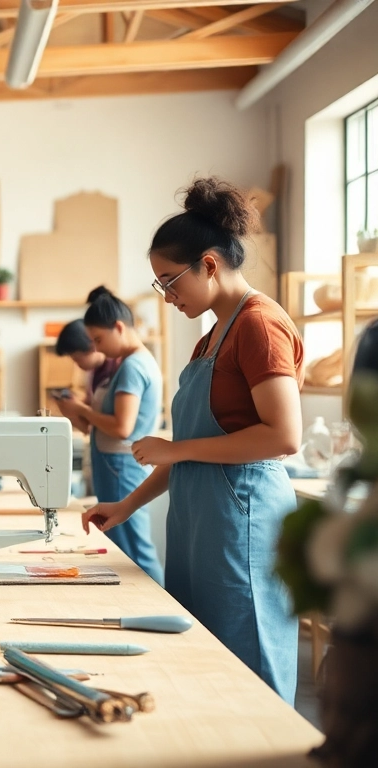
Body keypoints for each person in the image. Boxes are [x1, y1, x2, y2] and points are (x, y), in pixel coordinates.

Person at [84, 178, 303, 703]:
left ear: (209, 263)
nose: (167, 294)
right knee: (205, 665)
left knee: (251, 669)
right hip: (200, 522)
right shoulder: (212, 336)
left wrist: (175, 450)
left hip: (241, 522)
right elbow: (190, 447)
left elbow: (283, 436)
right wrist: (127, 505)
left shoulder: (260, 325)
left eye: (169, 280)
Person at [54, 288, 164, 585]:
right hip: (116, 465)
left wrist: (81, 409)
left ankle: (160, 610)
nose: (98, 348)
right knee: (124, 548)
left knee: (134, 553)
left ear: (119, 327)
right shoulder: (130, 365)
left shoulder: (132, 367)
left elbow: (121, 427)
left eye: (99, 340)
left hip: (122, 466)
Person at [53, 319, 120, 402]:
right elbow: (93, 402)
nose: (76, 365)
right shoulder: (94, 371)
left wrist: (81, 409)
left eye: (78, 359)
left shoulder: (116, 370)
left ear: (93, 347)